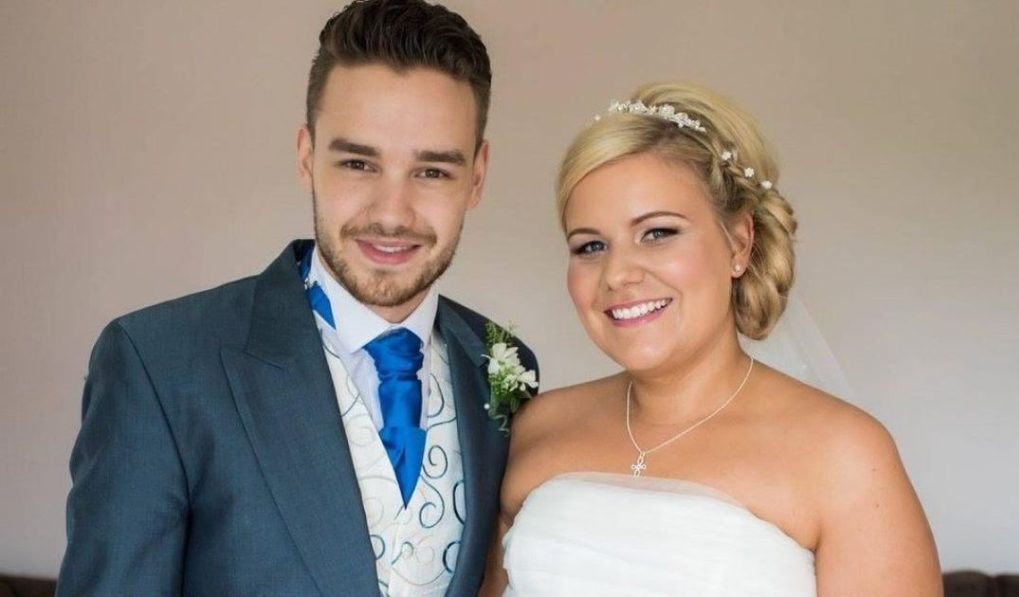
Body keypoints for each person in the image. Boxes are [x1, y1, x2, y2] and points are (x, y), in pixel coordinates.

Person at [57, 1, 537, 595]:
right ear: (307, 157)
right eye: (358, 163)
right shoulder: (158, 363)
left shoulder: (503, 365)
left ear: (478, 176)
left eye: (433, 171)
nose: (393, 213)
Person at [483, 83, 941, 596]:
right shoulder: (537, 427)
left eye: (658, 233)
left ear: (739, 243)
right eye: (590, 246)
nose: (617, 274)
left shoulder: (846, 455)